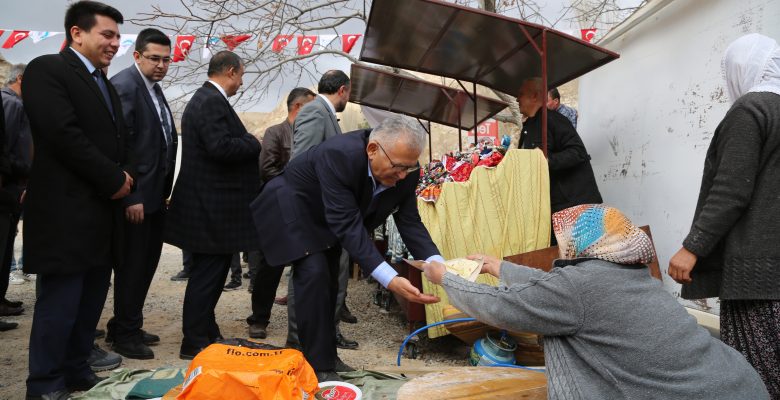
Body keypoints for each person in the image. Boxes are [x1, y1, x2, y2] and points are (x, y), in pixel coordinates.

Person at [422, 204, 769, 400]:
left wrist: (446, 278)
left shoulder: (579, 287)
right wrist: (498, 267)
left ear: (580, 245)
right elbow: (555, 292)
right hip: (738, 383)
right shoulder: (632, 276)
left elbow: (506, 306)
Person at [251, 115, 443, 381]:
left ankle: (325, 357)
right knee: (314, 274)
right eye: (398, 167)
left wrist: (436, 262)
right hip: (294, 208)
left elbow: (409, 220)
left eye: (408, 169)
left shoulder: (407, 169)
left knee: (330, 283)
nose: (402, 175)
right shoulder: (339, 155)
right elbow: (349, 227)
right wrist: (391, 279)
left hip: (329, 218)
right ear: (372, 149)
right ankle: (318, 368)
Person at [22, 2, 133, 398]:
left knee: (88, 304)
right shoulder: (46, 70)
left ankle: (75, 369)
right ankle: (46, 383)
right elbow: (63, 134)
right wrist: (114, 178)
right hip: (64, 214)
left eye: (118, 36)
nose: (115, 43)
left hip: (100, 217)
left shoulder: (103, 82)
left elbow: (115, 141)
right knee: (60, 305)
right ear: (77, 34)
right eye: (107, 34)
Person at [668, 33, 780, 398]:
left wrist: (692, 246)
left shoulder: (751, 111)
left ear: (740, 70)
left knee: (755, 377)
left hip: (757, 277)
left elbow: (732, 190)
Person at [164, 50, 261, 360]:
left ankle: (207, 331)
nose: (241, 83)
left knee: (214, 276)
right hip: (210, 208)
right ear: (230, 71)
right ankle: (193, 341)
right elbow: (219, 147)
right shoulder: (209, 102)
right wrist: (253, 141)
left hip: (213, 208)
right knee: (207, 278)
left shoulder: (209, 100)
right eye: (242, 76)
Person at [105, 28, 178, 360]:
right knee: (132, 266)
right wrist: (131, 195)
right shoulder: (125, 87)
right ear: (137, 56)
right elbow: (121, 147)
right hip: (135, 198)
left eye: (166, 59)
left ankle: (126, 322)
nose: (161, 65)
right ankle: (125, 334)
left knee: (145, 264)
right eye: (154, 59)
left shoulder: (154, 89)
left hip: (155, 198)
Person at [288, 70, 359, 350]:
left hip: (329, 213)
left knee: (332, 275)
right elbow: (301, 164)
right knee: (308, 275)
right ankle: (298, 340)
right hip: (315, 213)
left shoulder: (325, 113)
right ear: (343, 90)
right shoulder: (315, 112)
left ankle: (327, 335)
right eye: (349, 93)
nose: (348, 98)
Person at [246, 87, 315, 339]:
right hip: (279, 208)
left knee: (307, 265)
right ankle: (258, 319)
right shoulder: (275, 133)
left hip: (306, 209)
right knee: (270, 266)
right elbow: (267, 169)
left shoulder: (312, 134)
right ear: (297, 107)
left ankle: (302, 324)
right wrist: (296, 187)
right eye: (311, 107)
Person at [516, 78, 602, 218]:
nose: (516, 99)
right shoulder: (528, 127)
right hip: (553, 209)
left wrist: (548, 160)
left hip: (576, 207)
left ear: (535, 96)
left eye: (521, 94)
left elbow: (578, 152)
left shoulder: (554, 120)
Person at [0, 63, 32, 321]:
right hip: (8, 186)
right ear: (21, 79)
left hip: (13, 186)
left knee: (7, 244)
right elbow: (7, 150)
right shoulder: (12, 105)